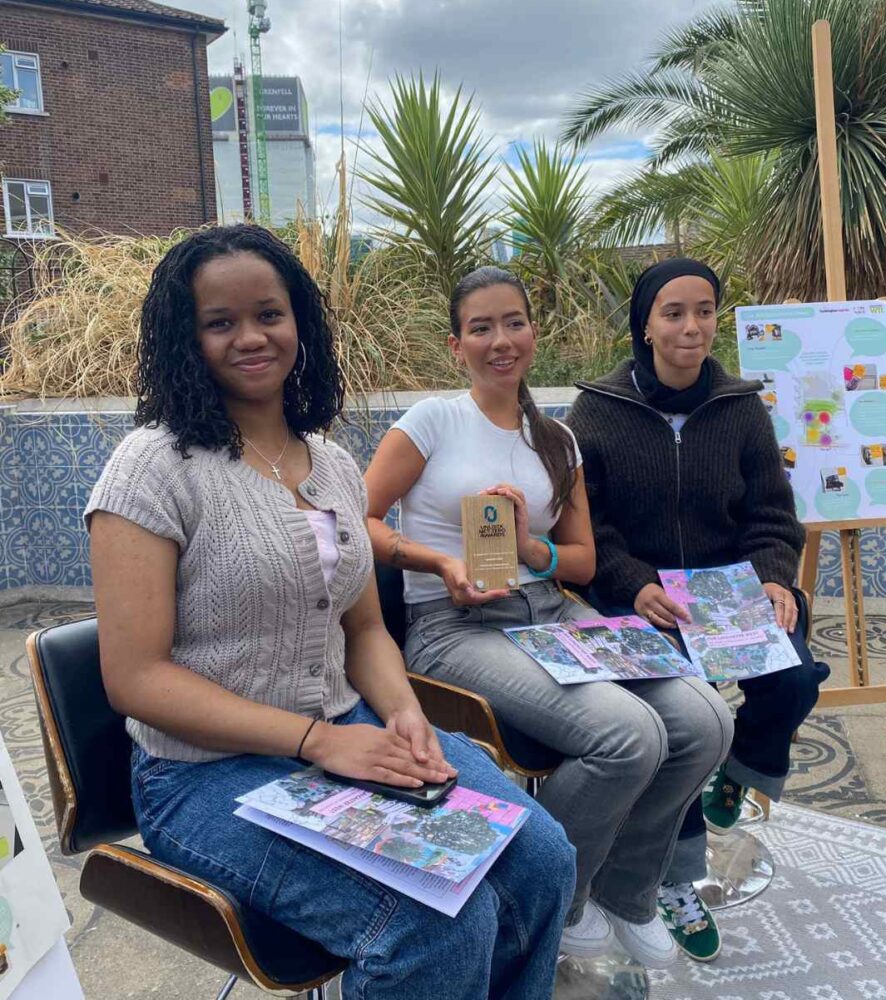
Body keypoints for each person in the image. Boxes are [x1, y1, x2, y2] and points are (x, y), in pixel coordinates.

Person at [85, 226, 577, 1000]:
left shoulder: (334, 464)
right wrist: (320, 742)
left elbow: (364, 630)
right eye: (220, 322)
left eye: (269, 314)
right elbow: (136, 678)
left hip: (346, 733)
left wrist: (404, 715)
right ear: (187, 337)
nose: (250, 337)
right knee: (434, 921)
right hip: (203, 779)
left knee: (544, 859)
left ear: (300, 324)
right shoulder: (152, 468)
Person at [363, 265, 733, 968]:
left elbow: (584, 562)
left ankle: (625, 889)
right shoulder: (433, 421)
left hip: (550, 609)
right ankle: (549, 896)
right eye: (481, 328)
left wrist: (533, 547)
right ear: (456, 345)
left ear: (533, 332)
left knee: (706, 720)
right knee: (629, 736)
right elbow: (360, 520)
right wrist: (438, 564)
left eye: (513, 323)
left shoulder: (557, 440)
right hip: (454, 627)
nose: (500, 340)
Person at [567, 257, 830, 962]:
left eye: (705, 311)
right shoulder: (597, 409)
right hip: (645, 603)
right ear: (645, 324)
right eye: (674, 312)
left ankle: (741, 773)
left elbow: (772, 514)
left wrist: (775, 577)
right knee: (685, 726)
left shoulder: (740, 407)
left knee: (797, 677)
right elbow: (588, 523)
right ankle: (676, 883)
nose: (691, 326)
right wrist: (629, 581)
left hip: (728, 595)